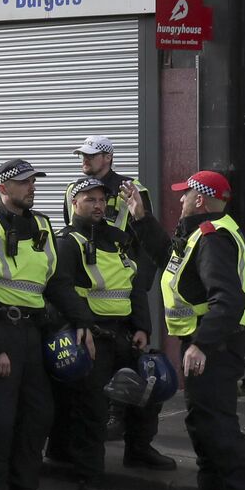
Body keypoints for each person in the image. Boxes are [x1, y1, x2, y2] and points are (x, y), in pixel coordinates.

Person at [0, 160, 93, 490]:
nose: (31, 187)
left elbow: (57, 282)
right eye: (23, 183)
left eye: (33, 181)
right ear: (3, 189)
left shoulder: (43, 226)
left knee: (38, 415)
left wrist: (82, 319)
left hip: (31, 335)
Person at [153, 171, 245, 490]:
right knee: (202, 426)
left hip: (213, 346)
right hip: (203, 343)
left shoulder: (214, 238)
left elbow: (228, 299)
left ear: (200, 199)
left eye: (184, 195)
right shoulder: (200, 233)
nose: (179, 201)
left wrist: (201, 344)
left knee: (220, 430)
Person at [64, 135, 174, 468]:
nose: (85, 160)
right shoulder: (73, 189)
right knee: (92, 393)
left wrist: (138, 290)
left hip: (126, 291)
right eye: (82, 155)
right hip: (92, 306)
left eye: (91, 155)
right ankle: (86, 460)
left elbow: (148, 241)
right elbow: (71, 235)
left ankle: (138, 448)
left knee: (146, 377)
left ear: (108, 157)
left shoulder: (132, 189)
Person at [50, 176, 151, 490]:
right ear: (74, 203)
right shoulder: (67, 242)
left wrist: (142, 327)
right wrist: (82, 325)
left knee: (149, 388)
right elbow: (60, 287)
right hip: (91, 333)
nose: (97, 205)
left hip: (123, 331)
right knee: (91, 408)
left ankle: (140, 450)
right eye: (89, 199)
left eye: (101, 200)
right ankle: (90, 474)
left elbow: (133, 285)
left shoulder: (119, 239)